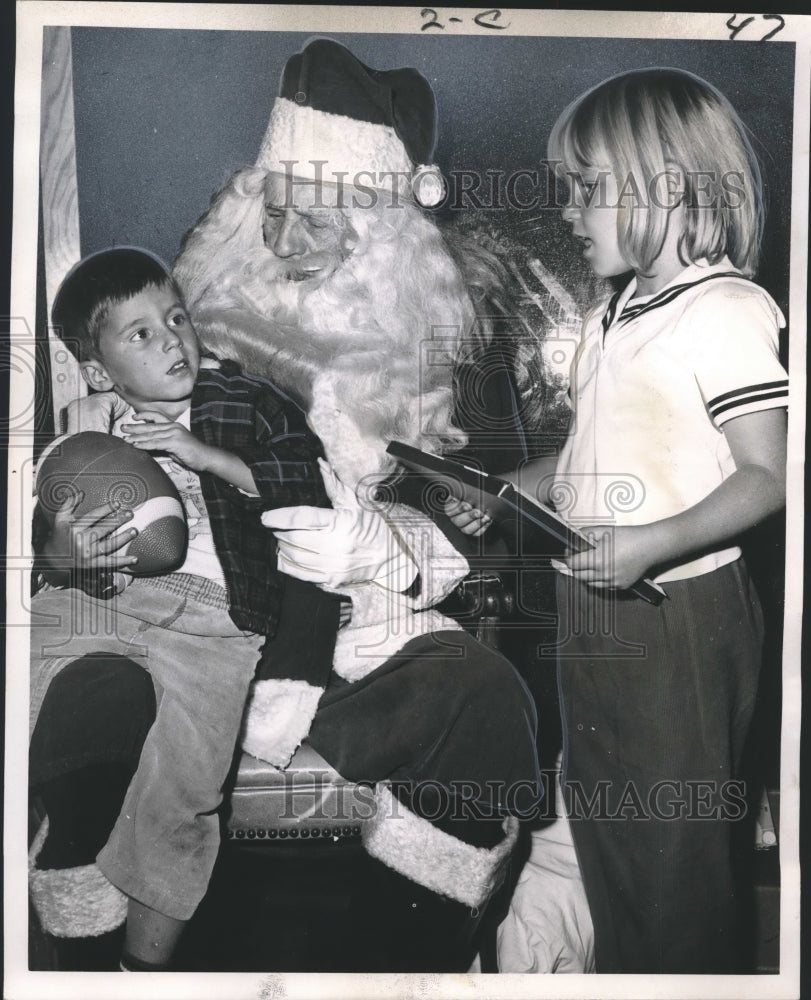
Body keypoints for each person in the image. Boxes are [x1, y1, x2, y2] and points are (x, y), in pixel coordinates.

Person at [172, 38, 547, 968]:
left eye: (316, 223)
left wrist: (381, 548)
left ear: (379, 236)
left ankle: (408, 944)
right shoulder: (193, 341)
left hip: (375, 631)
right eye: (273, 213)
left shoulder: (443, 359)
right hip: (217, 618)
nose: (283, 246)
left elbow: (487, 531)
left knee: (483, 691)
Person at [455, 67, 788, 973]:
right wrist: (503, 490)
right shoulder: (614, 314)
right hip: (595, 609)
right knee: (605, 823)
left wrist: (650, 541)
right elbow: (591, 454)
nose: (569, 211)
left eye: (586, 189)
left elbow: (768, 475)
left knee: (671, 854)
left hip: (675, 618)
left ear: (669, 187)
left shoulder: (725, 311)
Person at [29, 247, 342, 970]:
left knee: (185, 794)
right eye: (139, 332)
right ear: (99, 368)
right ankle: (56, 886)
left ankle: (144, 971)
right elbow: (38, 544)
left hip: (217, 618)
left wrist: (201, 453)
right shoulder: (84, 424)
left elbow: (308, 497)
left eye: (175, 318)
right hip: (113, 596)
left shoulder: (249, 401)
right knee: (25, 669)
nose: (171, 338)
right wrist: (57, 548)